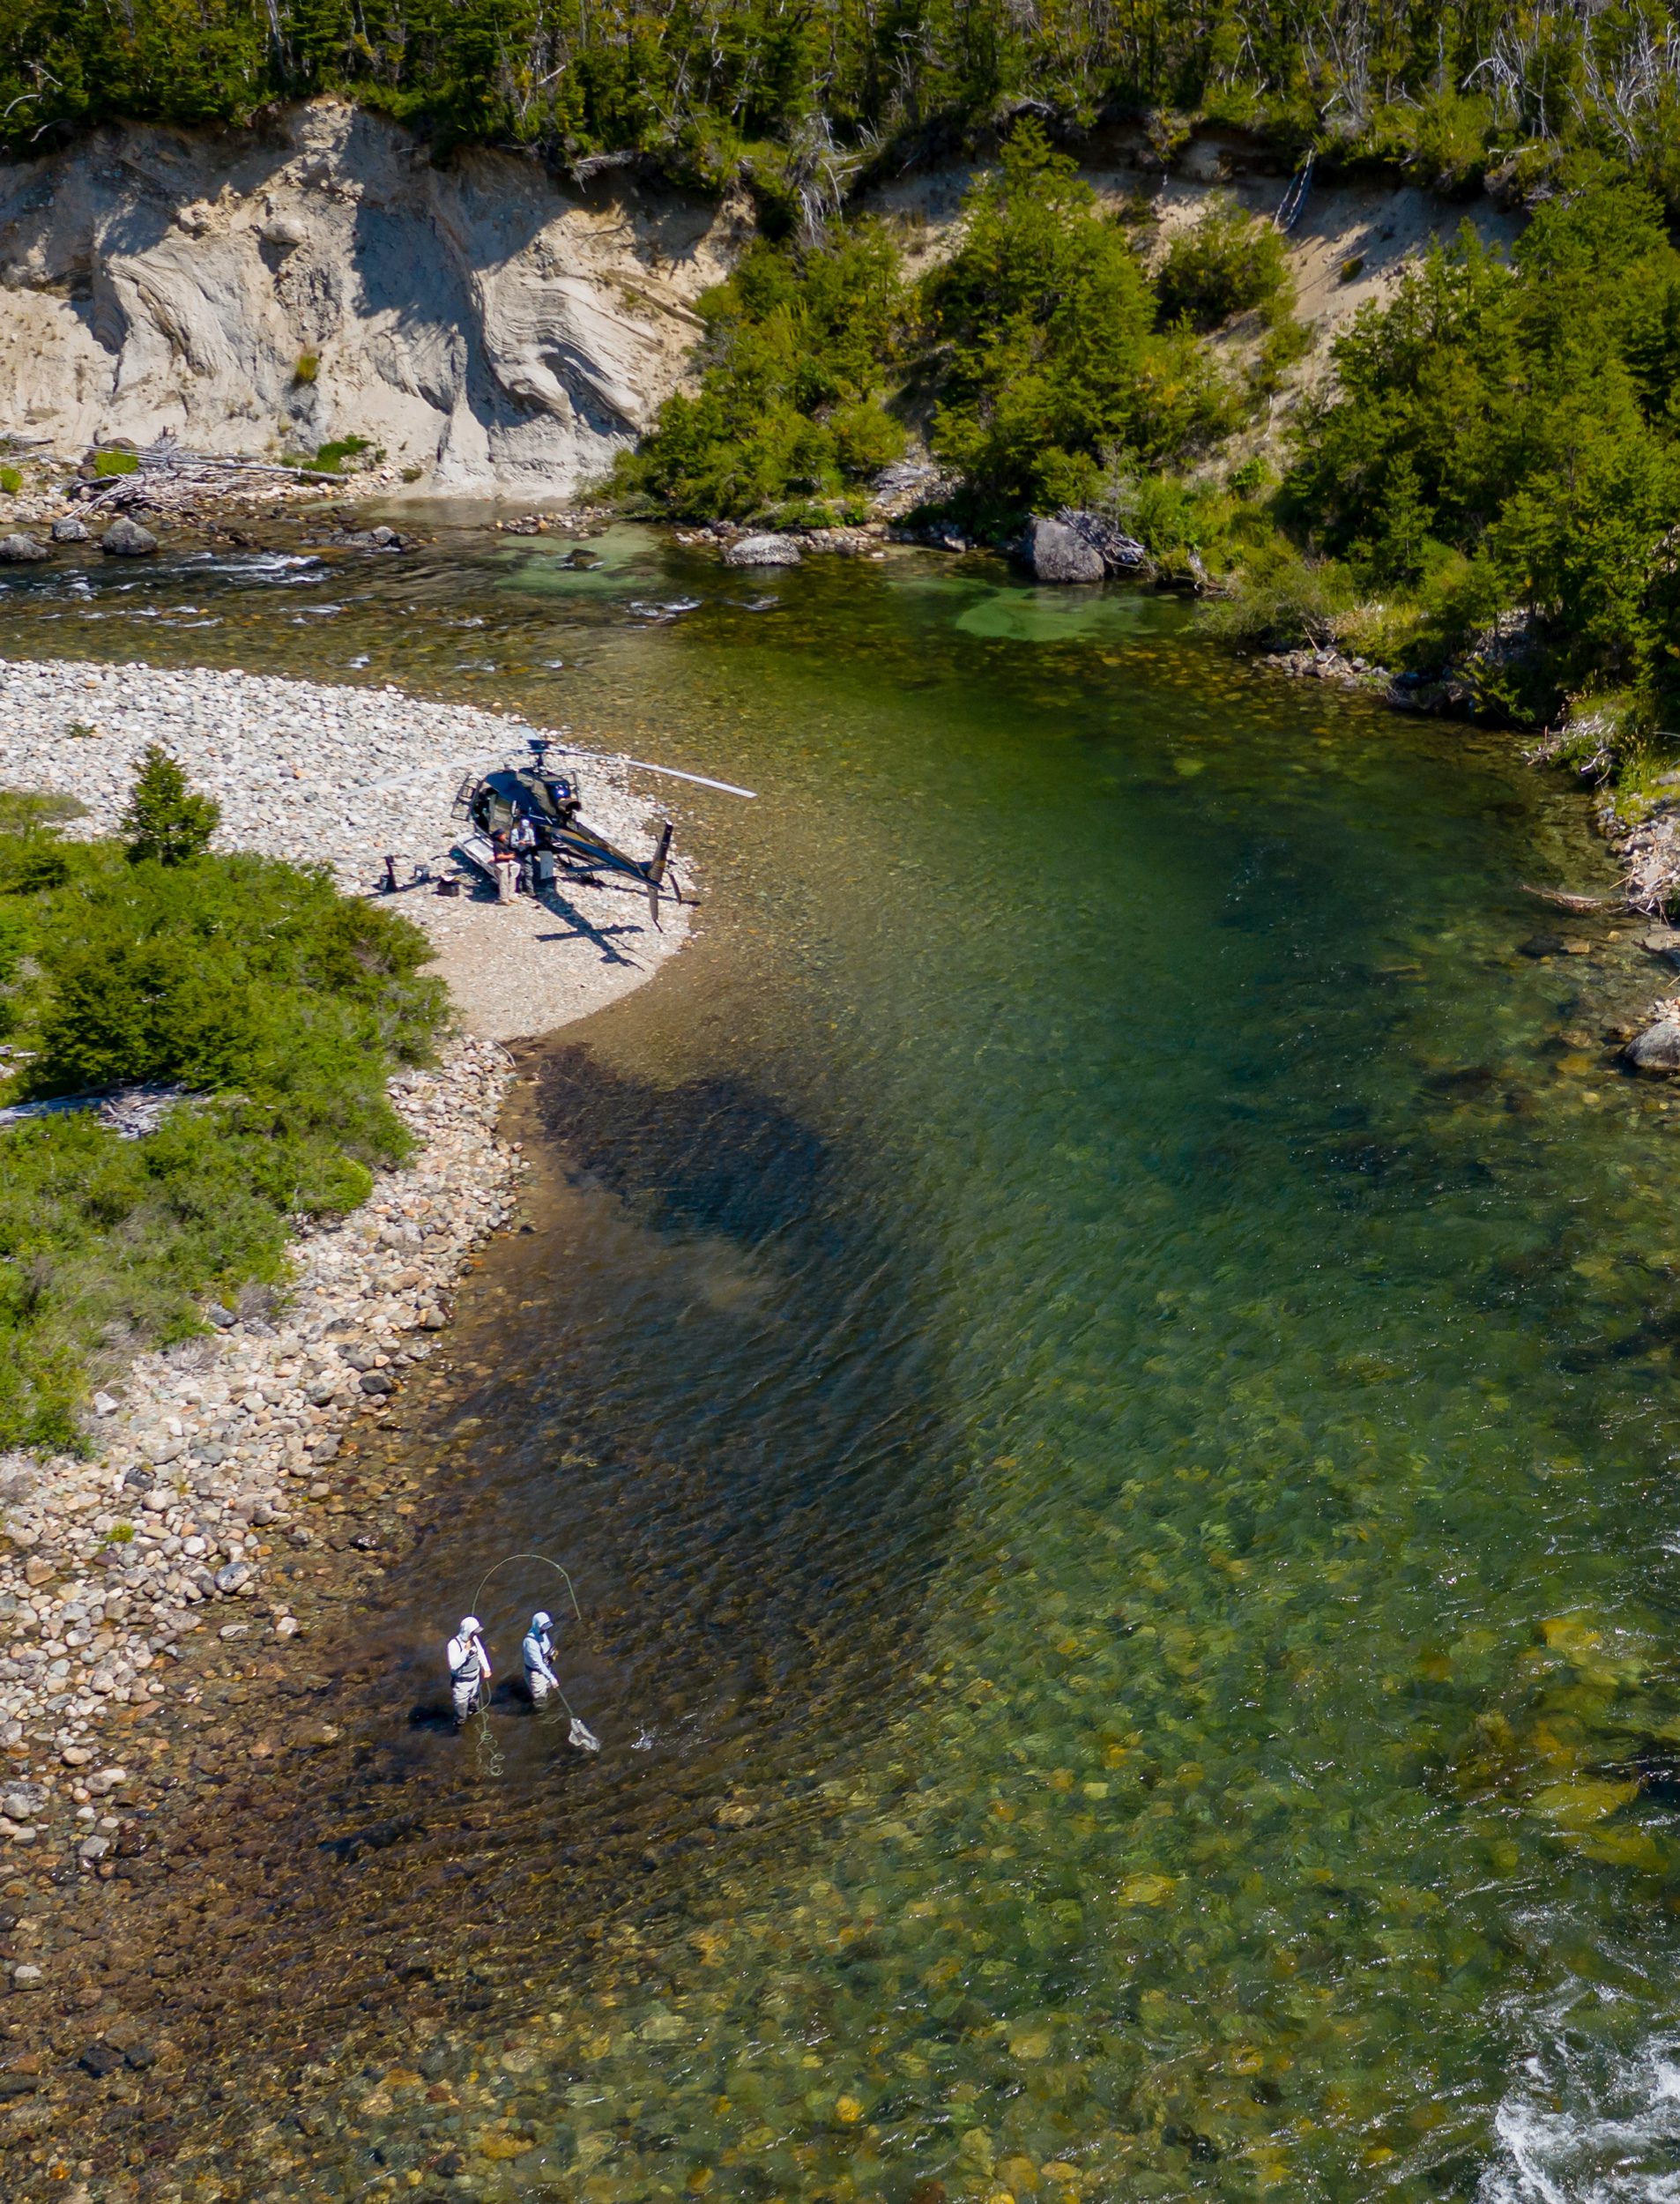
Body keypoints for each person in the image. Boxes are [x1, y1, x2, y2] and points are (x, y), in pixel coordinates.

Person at [447, 1615, 491, 1726]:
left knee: (475, 1707)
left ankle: (474, 1720)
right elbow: (453, 1665)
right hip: (462, 1683)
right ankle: (459, 1727)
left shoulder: (475, 1639)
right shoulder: (453, 1645)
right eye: (473, 1632)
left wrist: (486, 1668)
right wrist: (466, 1651)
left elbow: (481, 1653)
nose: (475, 1635)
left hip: (475, 1680)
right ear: (467, 1631)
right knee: (461, 1715)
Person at [523, 1609, 560, 1703]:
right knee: (540, 1700)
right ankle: (543, 1715)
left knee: (548, 1690)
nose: (545, 1629)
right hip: (536, 1674)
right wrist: (551, 1678)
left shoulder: (542, 1632)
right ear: (537, 1625)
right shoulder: (531, 1643)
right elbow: (538, 1664)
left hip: (546, 1667)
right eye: (543, 1627)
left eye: (546, 1627)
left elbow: (546, 1646)